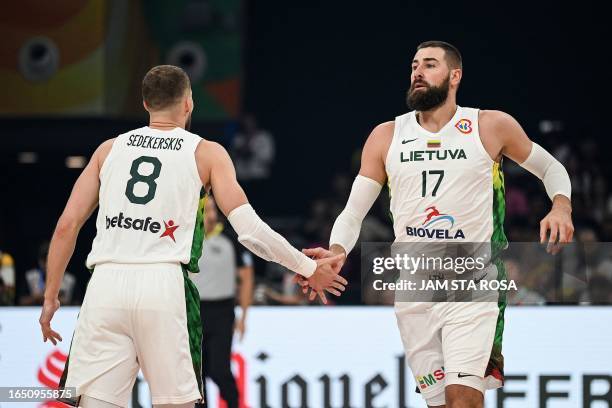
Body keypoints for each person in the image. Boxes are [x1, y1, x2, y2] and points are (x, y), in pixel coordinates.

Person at [38, 65, 346, 408]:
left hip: (105, 285)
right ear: (188, 104)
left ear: (145, 103)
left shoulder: (108, 150)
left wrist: (50, 296)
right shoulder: (205, 152)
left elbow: (67, 226)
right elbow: (250, 231)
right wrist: (306, 266)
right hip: (163, 283)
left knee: (96, 403)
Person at [299, 41, 573, 408]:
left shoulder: (489, 125)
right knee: (441, 404)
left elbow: (551, 168)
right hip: (414, 286)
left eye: (429, 65)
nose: (418, 72)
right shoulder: (386, 136)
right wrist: (336, 251)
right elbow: (352, 212)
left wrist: (561, 205)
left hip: (471, 281)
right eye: (414, 65)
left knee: (464, 399)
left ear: (454, 76)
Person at [189, 196, 253, 408]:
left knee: (219, 369)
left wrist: (243, 315)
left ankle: (235, 403)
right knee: (197, 373)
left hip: (222, 311)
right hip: (194, 312)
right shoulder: (187, 239)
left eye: (212, 210)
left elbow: (246, 277)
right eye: (205, 210)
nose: (210, 215)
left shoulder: (230, 240)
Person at [21, 241, 76, 306]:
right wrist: (36, 298)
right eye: (44, 260)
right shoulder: (30, 277)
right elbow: (21, 301)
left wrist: (58, 300)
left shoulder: (70, 280)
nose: (48, 264)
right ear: (39, 261)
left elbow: (78, 304)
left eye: (51, 260)